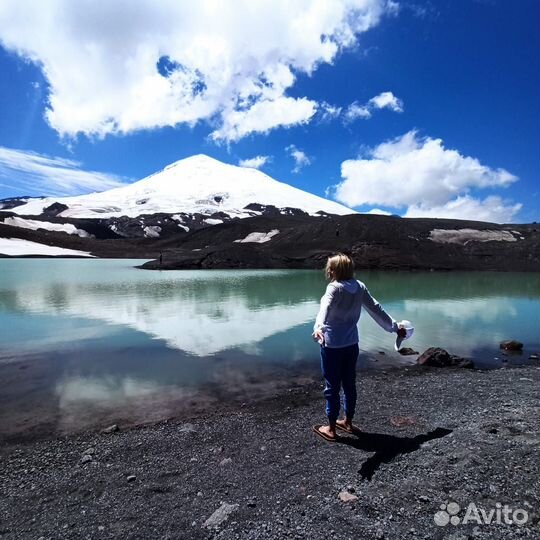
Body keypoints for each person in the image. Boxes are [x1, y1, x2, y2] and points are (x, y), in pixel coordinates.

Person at [312, 253, 407, 442]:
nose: (328, 271)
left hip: (331, 344)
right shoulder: (359, 286)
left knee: (332, 386)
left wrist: (318, 328)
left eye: (329, 268)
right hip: (351, 343)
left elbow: (324, 309)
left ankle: (331, 429)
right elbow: (376, 309)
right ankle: (347, 421)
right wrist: (395, 327)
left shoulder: (334, 288)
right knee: (349, 383)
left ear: (333, 270)